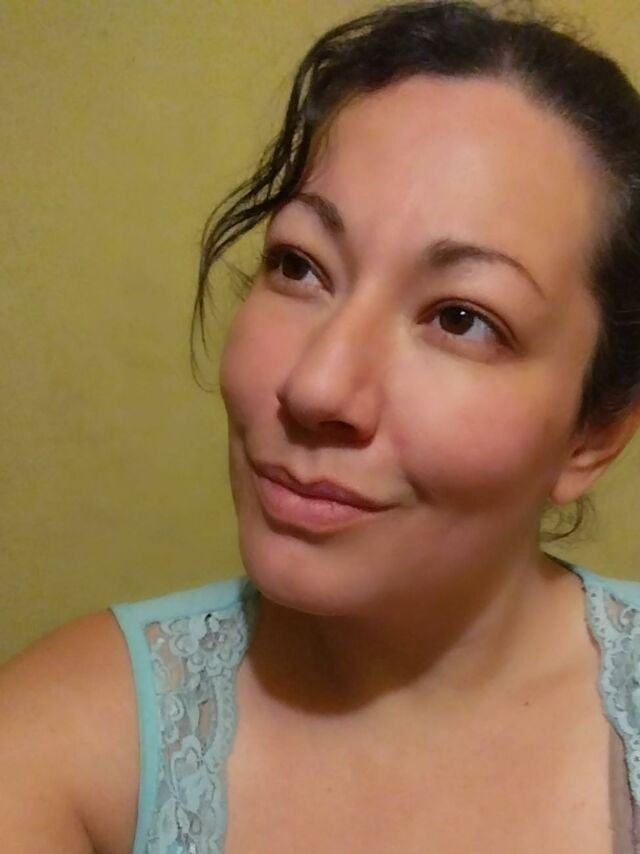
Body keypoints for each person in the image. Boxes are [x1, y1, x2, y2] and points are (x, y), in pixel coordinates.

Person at [1, 1, 640, 851]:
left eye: (460, 318)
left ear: (595, 433)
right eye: (301, 266)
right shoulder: (65, 745)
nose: (316, 385)